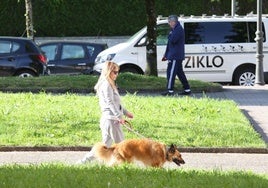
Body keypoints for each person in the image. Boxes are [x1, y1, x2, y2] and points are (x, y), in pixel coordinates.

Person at [78, 61, 134, 164]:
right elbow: (110, 102)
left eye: (118, 72)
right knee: (122, 145)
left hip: (109, 119)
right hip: (111, 120)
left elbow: (117, 103)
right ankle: (126, 165)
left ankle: (83, 162)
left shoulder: (110, 83)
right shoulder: (106, 85)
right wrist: (119, 117)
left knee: (105, 146)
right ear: (108, 72)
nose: (117, 74)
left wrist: (126, 113)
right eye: (115, 72)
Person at [161, 15, 191, 96]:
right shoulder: (175, 29)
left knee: (171, 73)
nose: (169, 24)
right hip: (174, 55)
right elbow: (170, 43)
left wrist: (170, 35)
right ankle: (187, 89)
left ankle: (170, 90)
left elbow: (173, 40)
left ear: (174, 22)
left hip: (175, 56)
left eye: (169, 22)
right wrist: (166, 54)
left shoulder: (177, 30)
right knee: (180, 73)